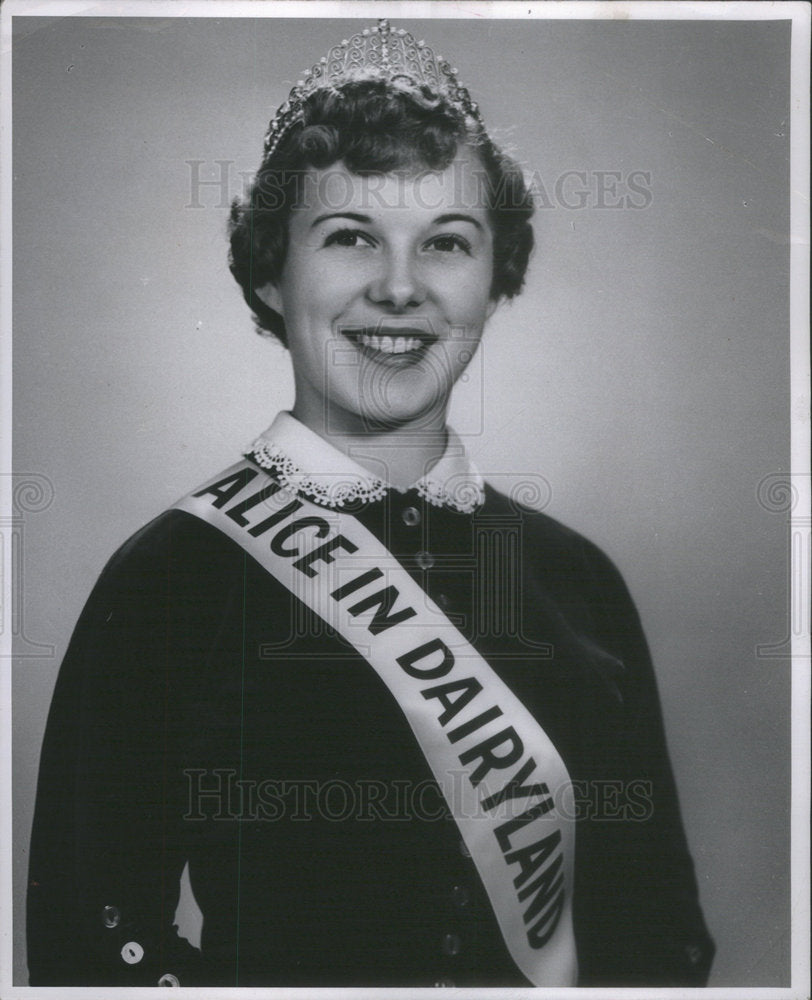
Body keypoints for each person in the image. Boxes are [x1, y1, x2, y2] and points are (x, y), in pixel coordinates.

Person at [27, 19, 714, 988]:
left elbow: (657, 934)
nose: (399, 288)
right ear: (271, 271)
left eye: (445, 243)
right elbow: (84, 942)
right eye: (350, 237)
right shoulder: (169, 577)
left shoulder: (578, 581)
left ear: (492, 277)